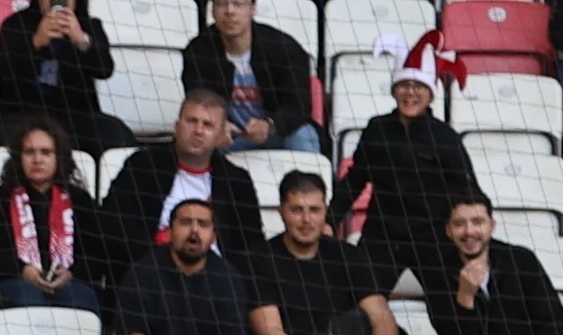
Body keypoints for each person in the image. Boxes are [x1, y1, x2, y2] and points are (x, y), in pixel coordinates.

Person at [246, 171, 430, 335]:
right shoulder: (258, 259)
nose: (307, 220)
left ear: (325, 212)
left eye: (314, 210)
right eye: (297, 210)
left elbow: (380, 313)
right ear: (281, 212)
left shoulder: (348, 255)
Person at [328, 31, 477, 294]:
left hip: (433, 238)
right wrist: (330, 220)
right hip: (381, 236)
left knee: (452, 311)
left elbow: (467, 190)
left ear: (430, 94)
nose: (410, 92)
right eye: (404, 85)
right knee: (358, 299)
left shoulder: (445, 137)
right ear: (394, 89)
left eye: (418, 86)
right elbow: (355, 180)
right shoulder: (377, 129)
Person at [105, 198, 255, 335]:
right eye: (186, 222)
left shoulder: (228, 276)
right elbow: (129, 334)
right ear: (170, 230)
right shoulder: (143, 269)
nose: (194, 231)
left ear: (213, 235)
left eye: (203, 224)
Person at [101, 89, 264, 280]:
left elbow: (250, 247)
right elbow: (115, 225)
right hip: (150, 275)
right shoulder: (143, 165)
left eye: (208, 125)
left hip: (215, 282)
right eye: (191, 121)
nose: (198, 131)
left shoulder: (236, 181)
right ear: (177, 127)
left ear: (221, 136)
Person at [427, 192, 563, 335]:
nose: (469, 231)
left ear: (492, 225)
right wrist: (465, 298)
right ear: (448, 230)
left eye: (477, 222)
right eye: (459, 224)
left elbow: (554, 321)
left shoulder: (520, 260)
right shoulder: (438, 277)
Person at [0, 0, 135, 168]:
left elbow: (104, 69)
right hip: (21, 111)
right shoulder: (16, 23)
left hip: (73, 114)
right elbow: (3, 70)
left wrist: (81, 40)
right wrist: (35, 43)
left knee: (117, 135)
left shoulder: (90, 26)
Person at [0, 120, 101, 324]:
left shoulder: (80, 201)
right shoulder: (0, 198)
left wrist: (71, 273)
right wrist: (22, 270)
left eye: (46, 152)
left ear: (60, 158)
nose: (37, 159)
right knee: (29, 297)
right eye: (30, 152)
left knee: (79, 300)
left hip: (69, 285)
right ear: (18, 157)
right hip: (9, 285)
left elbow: (99, 256)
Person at [181, 0, 318, 154]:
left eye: (238, 4)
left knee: (303, 135)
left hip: (277, 133)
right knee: (203, 136)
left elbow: (298, 106)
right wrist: (218, 124)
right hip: (230, 137)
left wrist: (269, 125)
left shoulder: (284, 48)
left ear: (253, 9)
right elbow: (198, 101)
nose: (229, 11)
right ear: (212, 11)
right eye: (221, 4)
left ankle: (306, 178)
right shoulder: (198, 51)